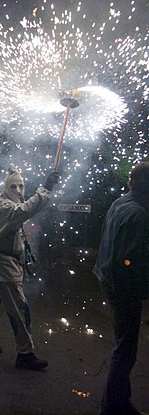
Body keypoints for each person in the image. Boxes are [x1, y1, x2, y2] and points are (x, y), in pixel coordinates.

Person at [0, 163, 59, 370]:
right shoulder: (4, 206)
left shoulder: (7, 204)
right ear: (6, 188)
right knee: (20, 308)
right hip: (3, 264)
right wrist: (46, 188)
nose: (19, 191)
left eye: (21, 187)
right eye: (14, 187)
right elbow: (25, 210)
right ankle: (25, 353)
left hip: (8, 262)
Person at [93, 161, 149, 415]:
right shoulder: (138, 214)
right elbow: (128, 260)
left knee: (122, 346)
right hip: (123, 289)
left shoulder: (120, 203)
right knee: (125, 351)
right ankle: (113, 408)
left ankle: (119, 401)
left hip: (108, 280)